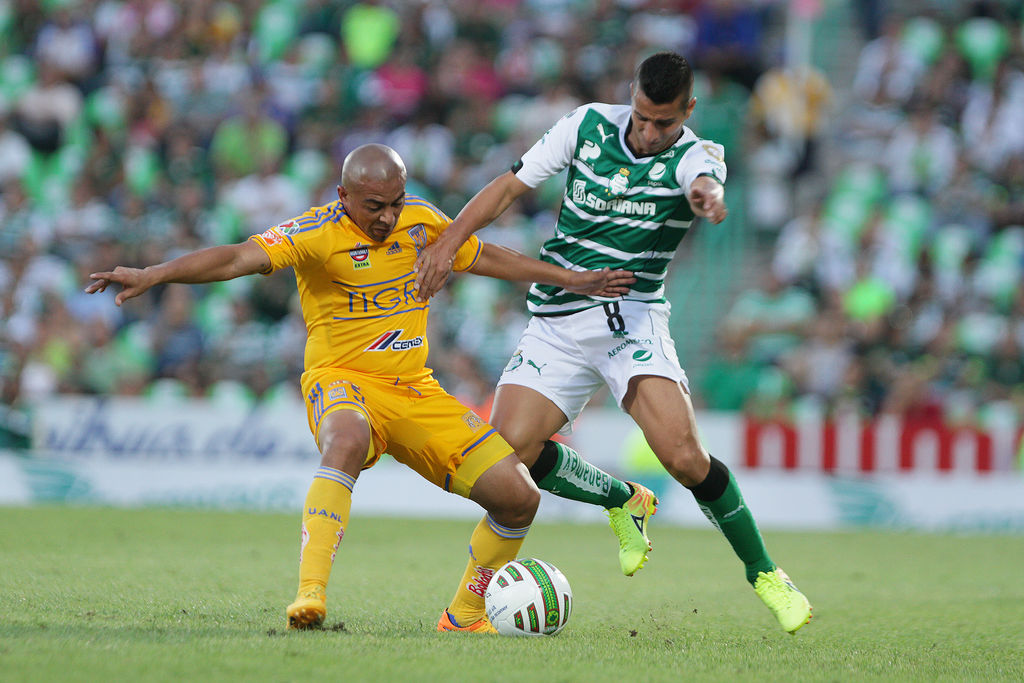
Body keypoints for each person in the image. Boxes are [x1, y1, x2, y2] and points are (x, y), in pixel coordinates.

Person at [85, 144, 634, 632]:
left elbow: (482, 255)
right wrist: (154, 274)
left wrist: (572, 279)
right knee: (345, 439)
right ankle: (310, 593)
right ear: (343, 195)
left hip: (414, 390)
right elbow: (235, 258)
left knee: (519, 498)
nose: (388, 216)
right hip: (341, 380)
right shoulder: (315, 233)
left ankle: (464, 617)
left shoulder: (421, 221)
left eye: (396, 202)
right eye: (375, 206)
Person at [412, 52, 813, 633]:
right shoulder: (586, 125)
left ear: (688, 110)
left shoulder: (696, 155)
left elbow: (702, 181)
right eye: (643, 117)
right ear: (631, 96)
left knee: (684, 458)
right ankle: (621, 499)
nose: (650, 133)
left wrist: (707, 197)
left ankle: (766, 574)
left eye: (664, 123)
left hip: (631, 319)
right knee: (507, 456)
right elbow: (508, 187)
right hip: (557, 319)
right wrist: (450, 241)